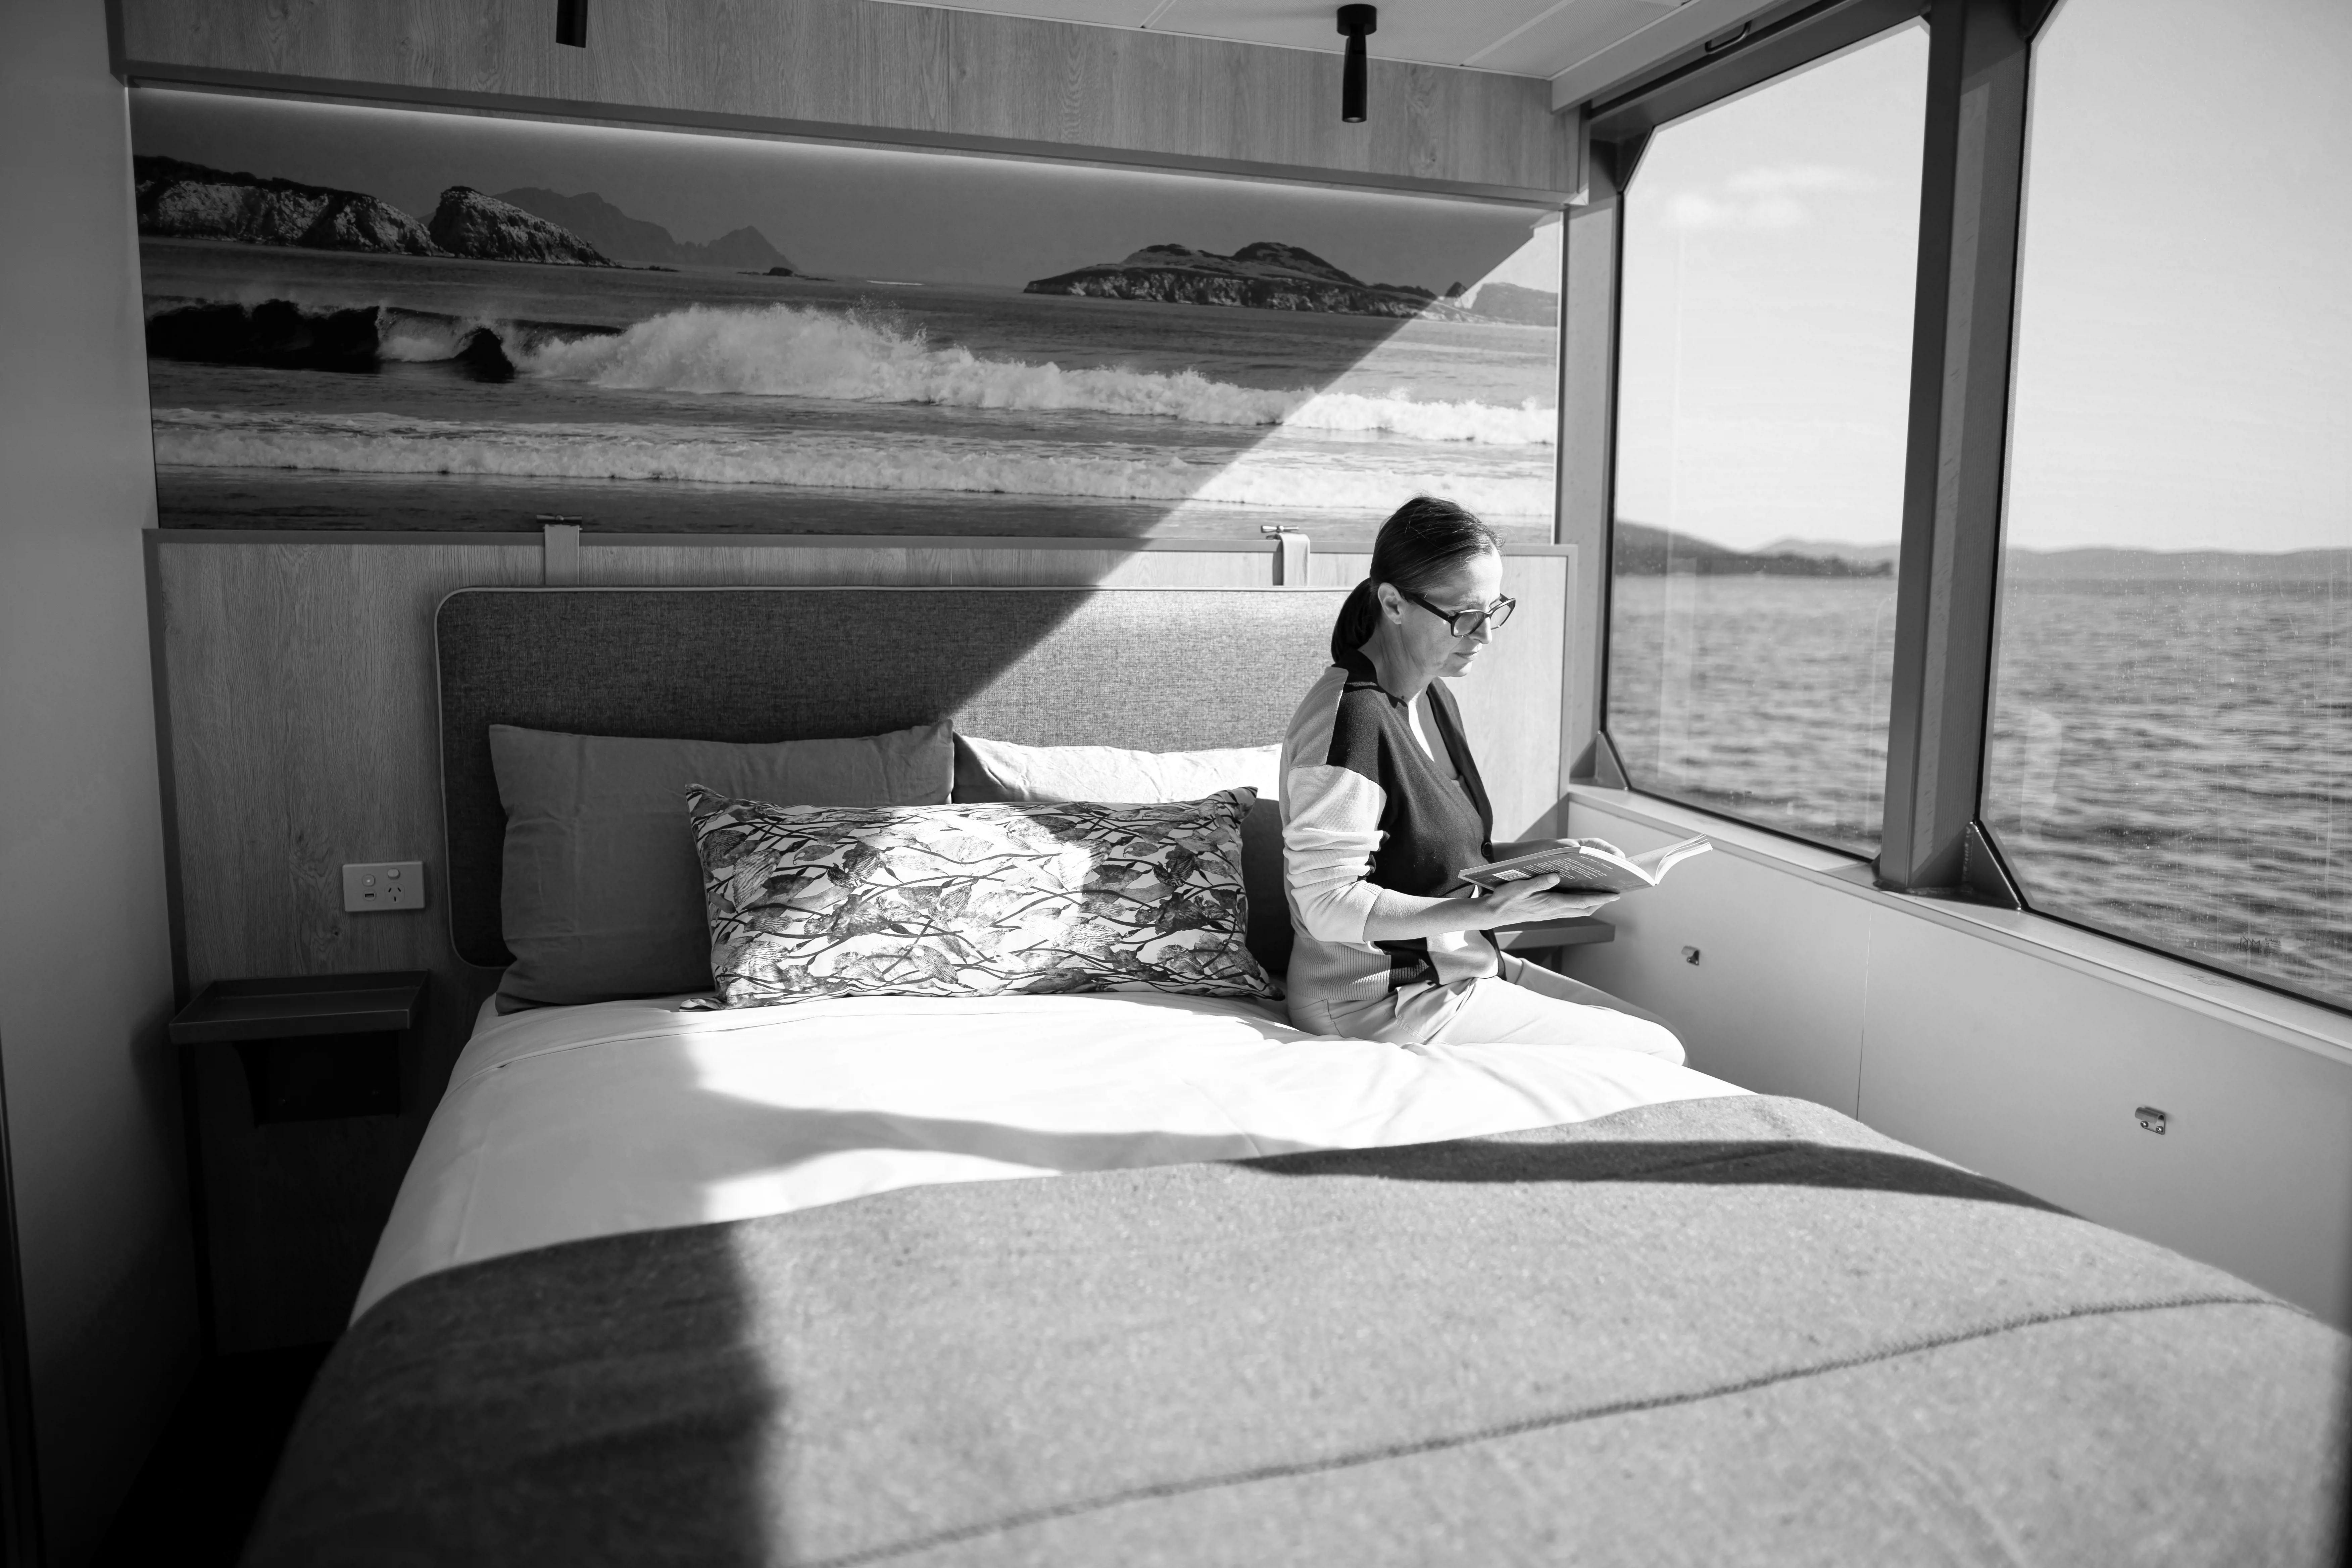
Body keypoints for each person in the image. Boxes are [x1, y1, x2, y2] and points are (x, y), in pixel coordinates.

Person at [1279, 496, 1684, 1061]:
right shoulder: (1350, 720)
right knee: (1654, 1052)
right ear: (1393, 603)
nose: (1485, 635)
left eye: (1494, 610)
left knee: (1657, 1035)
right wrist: (1490, 912)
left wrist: (1556, 855)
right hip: (1373, 1000)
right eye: (1465, 616)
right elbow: (1327, 904)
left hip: (1459, 964)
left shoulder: (1433, 695)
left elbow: (1437, 855)